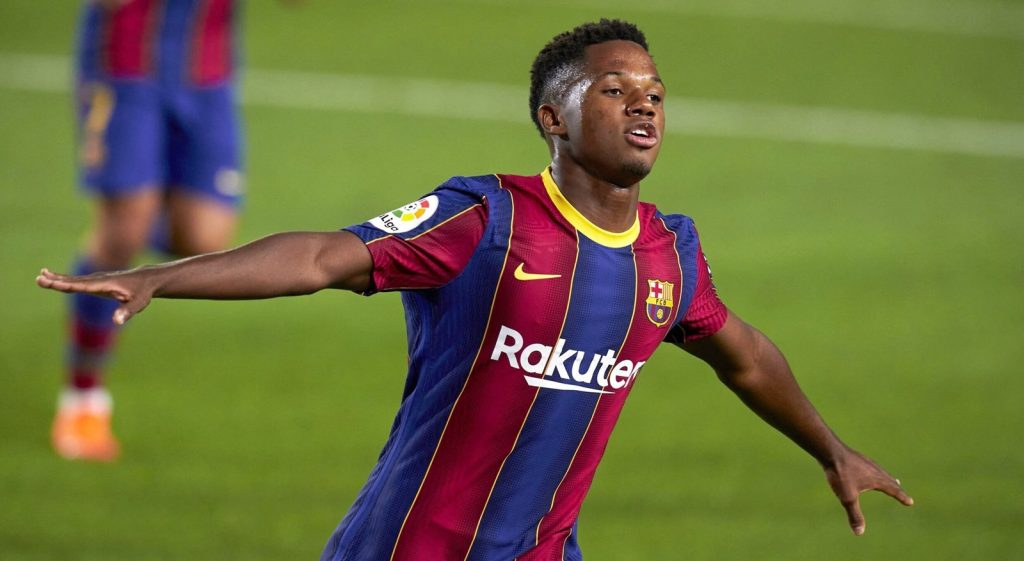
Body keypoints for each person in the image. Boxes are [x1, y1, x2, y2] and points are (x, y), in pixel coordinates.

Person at [38, 19, 913, 560]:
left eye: (654, 93)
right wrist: (161, 277)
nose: (644, 105)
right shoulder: (484, 218)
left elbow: (745, 356)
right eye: (615, 91)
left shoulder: (670, 254)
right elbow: (322, 258)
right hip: (407, 547)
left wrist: (831, 450)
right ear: (553, 118)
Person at [55, 0, 248, 461]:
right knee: (122, 233)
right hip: (125, 66)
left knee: (203, 239)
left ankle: (144, 206)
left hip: (207, 72)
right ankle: (83, 399)